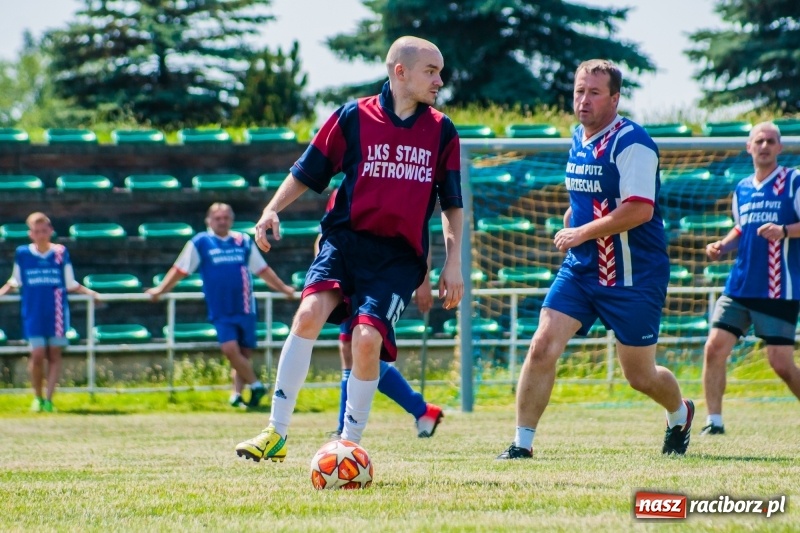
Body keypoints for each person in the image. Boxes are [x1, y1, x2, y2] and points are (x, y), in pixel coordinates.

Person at [235, 35, 463, 463]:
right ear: (401, 71)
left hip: (398, 257)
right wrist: (270, 209)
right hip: (344, 241)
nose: (440, 80)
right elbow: (308, 170)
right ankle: (275, 432)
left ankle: (348, 443)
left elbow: (451, 204)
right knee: (306, 315)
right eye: (431, 71)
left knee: (365, 339)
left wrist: (452, 264)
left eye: (439, 71)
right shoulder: (353, 117)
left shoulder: (442, 130)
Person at [497, 59, 695, 460]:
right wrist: (576, 217)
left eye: (594, 93)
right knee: (541, 345)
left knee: (640, 376)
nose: (583, 101)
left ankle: (680, 413)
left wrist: (579, 232)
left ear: (615, 98)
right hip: (583, 269)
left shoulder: (633, 143)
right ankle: (522, 444)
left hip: (634, 276)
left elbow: (639, 209)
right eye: (579, 91)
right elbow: (588, 195)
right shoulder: (578, 138)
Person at [317, 189, 444, 439]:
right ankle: (421, 410)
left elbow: (418, 232)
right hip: (348, 274)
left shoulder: (393, 183)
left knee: (359, 349)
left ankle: (348, 428)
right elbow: (325, 235)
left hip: (377, 277)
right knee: (354, 351)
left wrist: (424, 280)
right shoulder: (342, 191)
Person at [701, 121, 800, 435]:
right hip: (740, 285)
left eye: (771, 141)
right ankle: (714, 423)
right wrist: (723, 244)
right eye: (759, 140)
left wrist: (784, 231)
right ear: (749, 147)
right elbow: (741, 227)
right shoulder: (742, 187)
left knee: (781, 364)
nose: (765, 146)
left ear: (780, 148)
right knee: (714, 348)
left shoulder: (794, 181)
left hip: (778, 288)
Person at [146, 203, 295, 408]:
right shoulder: (201, 242)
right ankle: (257, 384)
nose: (222, 221)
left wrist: (283, 289)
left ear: (231, 220)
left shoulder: (242, 240)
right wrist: (161, 289)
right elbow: (180, 269)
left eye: (226, 217)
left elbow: (262, 269)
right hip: (220, 307)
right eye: (218, 218)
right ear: (209, 220)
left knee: (243, 354)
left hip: (245, 305)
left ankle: (237, 395)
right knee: (229, 349)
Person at [0, 212, 99, 412]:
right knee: (37, 355)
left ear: (51, 231)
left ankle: (49, 399)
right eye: (37, 231)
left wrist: (91, 293)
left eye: (44, 230)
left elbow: (70, 282)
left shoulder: (61, 252)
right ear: (31, 234)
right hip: (33, 310)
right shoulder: (23, 253)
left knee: (54, 353)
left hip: (56, 311)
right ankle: (36, 397)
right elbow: (15, 280)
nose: (41, 234)